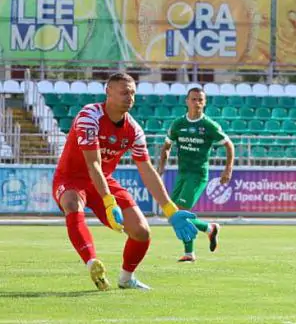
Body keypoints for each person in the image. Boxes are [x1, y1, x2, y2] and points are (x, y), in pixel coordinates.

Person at [53, 72, 199, 291]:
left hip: (104, 180)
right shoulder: (89, 116)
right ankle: (93, 263)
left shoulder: (134, 130)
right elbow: (92, 164)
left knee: (142, 232)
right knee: (72, 204)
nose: (129, 97)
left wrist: (171, 210)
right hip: (72, 178)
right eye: (123, 92)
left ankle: (126, 278)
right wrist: (109, 202)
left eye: (132, 93)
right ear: (108, 92)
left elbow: (147, 169)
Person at [157, 87, 233, 262]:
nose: (197, 102)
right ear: (187, 101)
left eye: (200, 100)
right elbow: (167, 146)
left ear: (204, 103)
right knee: (172, 214)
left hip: (198, 174)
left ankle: (190, 253)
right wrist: (162, 165)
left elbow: (229, 145)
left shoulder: (209, 125)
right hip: (182, 173)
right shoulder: (178, 124)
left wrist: (228, 169)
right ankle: (208, 228)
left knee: (181, 212)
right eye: (193, 99)